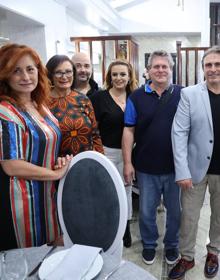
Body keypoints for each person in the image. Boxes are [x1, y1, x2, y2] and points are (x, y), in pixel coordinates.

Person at [0, 44, 72, 250]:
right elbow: (12, 166)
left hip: (47, 193)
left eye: (30, 69)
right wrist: (56, 174)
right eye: (16, 70)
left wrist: (58, 162)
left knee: (51, 254)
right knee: (27, 261)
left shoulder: (40, 105)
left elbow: (47, 146)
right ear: (5, 75)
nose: (26, 76)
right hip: (20, 200)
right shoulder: (5, 111)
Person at [122, 50, 182, 264]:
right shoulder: (136, 97)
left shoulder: (182, 94)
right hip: (146, 167)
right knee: (147, 211)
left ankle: (172, 245)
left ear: (171, 70)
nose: (160, 70)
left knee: (175, 212)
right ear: (148, 71)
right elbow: (128, 130)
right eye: (156, 66)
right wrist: (128, 163)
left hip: (177, 168)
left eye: (164, 66)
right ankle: (149, 245)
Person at [168, 46, 220, 280]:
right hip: (195, 168)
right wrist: (182, 170)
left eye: (217, 64)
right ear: (202, 69)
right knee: (189, 216)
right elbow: (179, 133)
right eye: (208, 65)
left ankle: (214, 252)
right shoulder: (190, 94)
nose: (213, 69)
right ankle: (187, 257)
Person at [91, 59, 138, 248]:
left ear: (129, 77)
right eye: (115, 74)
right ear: (109, 77)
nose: (119, 78)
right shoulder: (98, 98)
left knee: (126, 190)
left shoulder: (135, 96)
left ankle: (125, 230)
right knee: (108, 192)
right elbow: (92, 129)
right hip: (107, 152)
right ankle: (109, 229)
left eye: (123, 74)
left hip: (130, 154)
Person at [46, 55, 104, 157]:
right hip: (58, 165)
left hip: (86, 161)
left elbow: (95, 134)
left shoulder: (83, 99)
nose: (64, 77)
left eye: (68, 72)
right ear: (51, 75)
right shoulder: (43, 103)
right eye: (59, 72)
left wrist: (100, 161)